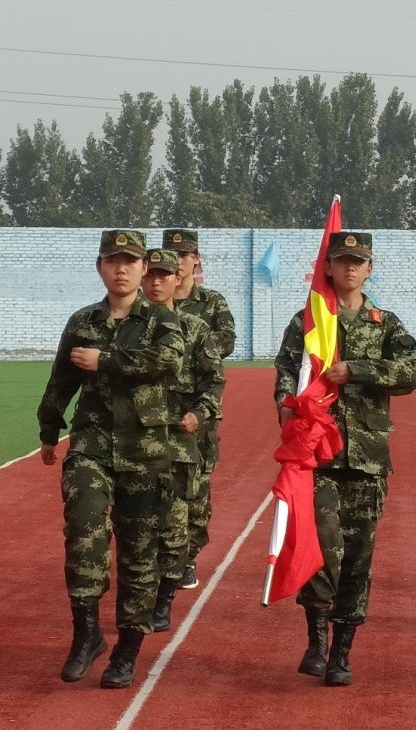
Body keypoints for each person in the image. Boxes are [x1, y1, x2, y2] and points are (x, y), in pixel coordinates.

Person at [274, 231, 416, 686]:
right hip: (318, 456)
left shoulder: (385, 323)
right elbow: (286, 372)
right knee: (320, 545)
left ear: (369, 269)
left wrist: (357, 370)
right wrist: (286, 406)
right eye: (342, 260)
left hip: (366, 459)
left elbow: (412, 371)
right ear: (329, 267)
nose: (350, 268)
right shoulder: (309, 320)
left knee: (358, 555)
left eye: (358, 261)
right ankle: (316, 640)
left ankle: (342, 651)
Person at [37, 230, 185, 688]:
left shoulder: (162, 320)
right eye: (112, 260)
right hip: (92, 445)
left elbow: (167, 362)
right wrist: (49, 430)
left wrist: (105, 360)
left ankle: (127, 650)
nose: (121, 269)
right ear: (100, 266)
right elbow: (61, 379)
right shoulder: (83, 321)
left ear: (144, 269)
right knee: (83, 531)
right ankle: (86, 633)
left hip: (146, 452)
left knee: (140, 552)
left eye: (130, 261)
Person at [141, 248, 224, 631]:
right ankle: (140, 595)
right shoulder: (124, 326)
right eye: (151, 274)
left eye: (164, 275)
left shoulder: (195, 329)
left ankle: (164, 599)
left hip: (178, 441)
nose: (156, 282)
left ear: (178, 279)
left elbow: (213, 381)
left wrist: (200, 413)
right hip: (131, 443)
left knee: (177, 524)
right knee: (137, 526)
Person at [162, 228, 235, 590]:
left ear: (196, 259)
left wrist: (189, 346)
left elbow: (227, 341)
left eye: (184, 255)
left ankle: (188, 556)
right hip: (156, 411)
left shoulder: (211, 302)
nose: (177, 262)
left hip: (196, 412)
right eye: (171, 255)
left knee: (195, 491)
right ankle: (161, 558)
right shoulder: (149, 300)